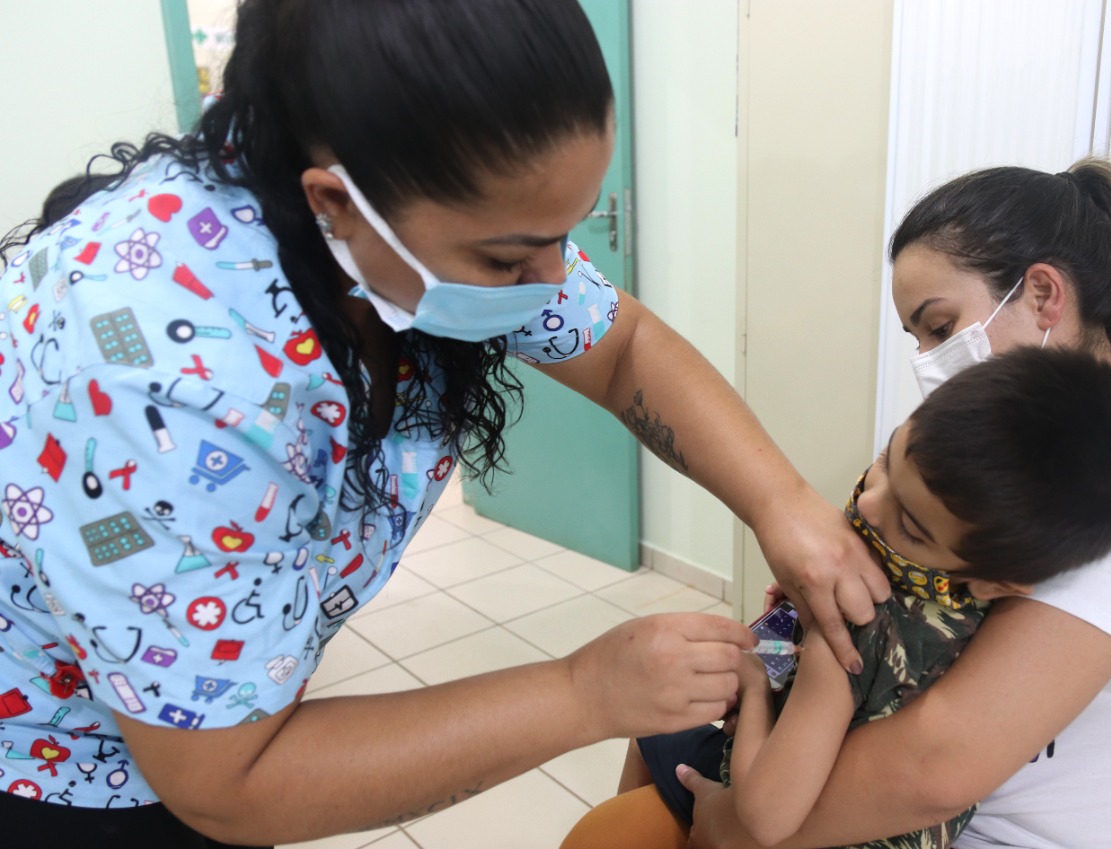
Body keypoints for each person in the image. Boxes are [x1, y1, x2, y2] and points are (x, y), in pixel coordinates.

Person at [0, 2, 888, 846]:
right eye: (506, 259)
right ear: (336, 203)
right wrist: (582, 692)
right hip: (65, 770)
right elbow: (227, 778)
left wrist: (785, 507)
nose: (549, 284)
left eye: (563, 236)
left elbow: (622, 349)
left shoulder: (404, 228)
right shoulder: (158, 377)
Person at [675, 158, 1111, 849]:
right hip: (934, 795)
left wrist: (733, 822)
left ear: (1046, 295)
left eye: (941, 327)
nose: (931, 362)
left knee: (642, 801)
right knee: (664, 737)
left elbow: (932, 766)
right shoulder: (1045, 456)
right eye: (919, 339)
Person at [561, 347, 1111, 849]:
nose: (870, 507)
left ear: (998, 581)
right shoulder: (1001, 606)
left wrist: (752, 683)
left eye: (911, 526)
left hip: (777, 817)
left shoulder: (852, 627)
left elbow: (764, 817)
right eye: (886, 463)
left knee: (651, 749)